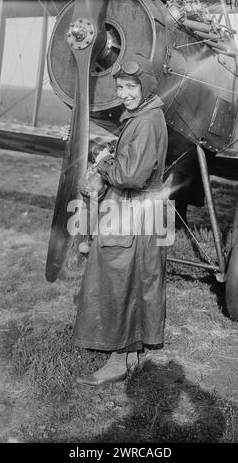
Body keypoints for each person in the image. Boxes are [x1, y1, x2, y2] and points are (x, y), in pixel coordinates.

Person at [73, 53, 169, 386]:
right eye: (120, 86)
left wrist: (101, 166)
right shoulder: (146, 113)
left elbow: (129, 175)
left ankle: (119, 357)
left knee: (117, 279)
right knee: (138, 281)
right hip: (143, 210)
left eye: (131, 86)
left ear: (146, 87)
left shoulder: (144, 121)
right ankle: (131, 353)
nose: (125, 93)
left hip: (132, 210)